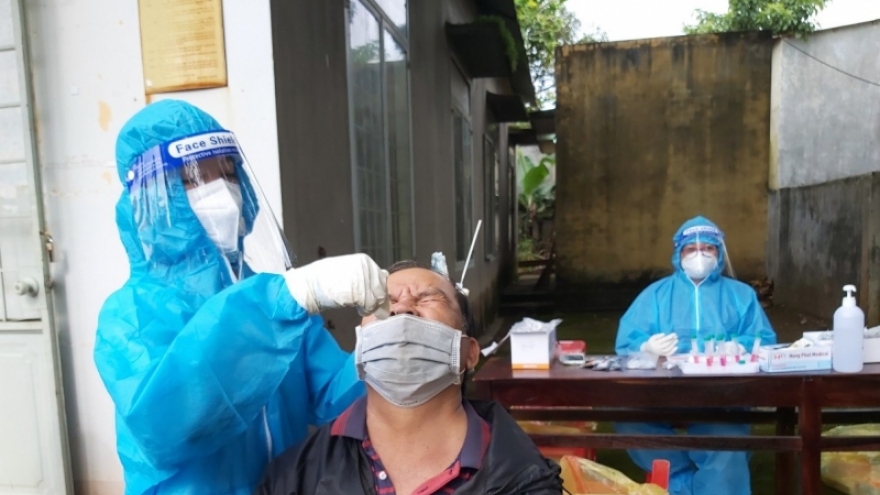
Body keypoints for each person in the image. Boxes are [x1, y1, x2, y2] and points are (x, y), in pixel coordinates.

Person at [94, 99, 389, 495]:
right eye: (192, 180)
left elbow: (331, 396)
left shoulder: (276, 303)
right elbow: (168, 424)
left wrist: (381, 339)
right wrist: (285, 298)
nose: (221, 191)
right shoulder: (129, 315)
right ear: (152, 200)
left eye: (228, 173)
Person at [255, 261, 563, 495]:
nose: (402, 308)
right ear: (361, 344)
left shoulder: (525, 480)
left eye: (428, 298)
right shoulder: (292, 478)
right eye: (383, 301)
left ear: (470, 353)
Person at [613, 215, 777, 495]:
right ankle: (683, 480)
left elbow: (765, 339)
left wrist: (741, 346)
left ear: (719, 253)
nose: (699, 255)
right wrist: (646, 347)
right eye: (691, 249)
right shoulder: (656, 295)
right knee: (631, 423)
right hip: (661, 393)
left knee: (726, 444)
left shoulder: (741, 295)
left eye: (708, 248)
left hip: (722, 396)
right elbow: (627, 341)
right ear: (679, 254)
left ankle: (709, 485)